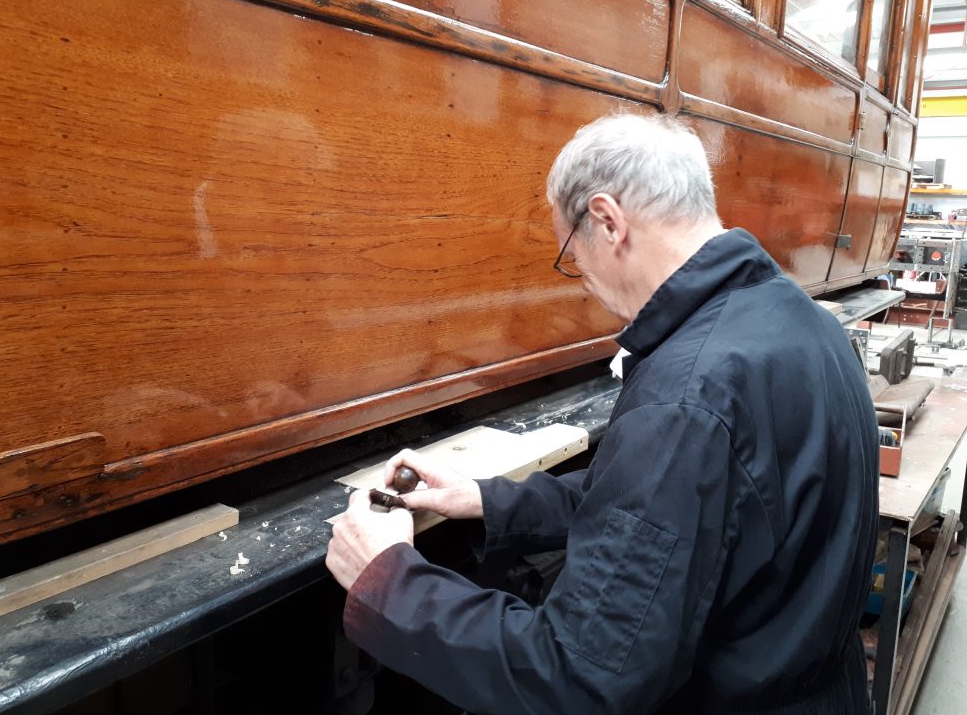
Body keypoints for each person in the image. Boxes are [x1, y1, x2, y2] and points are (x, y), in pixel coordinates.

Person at [326, 112, 879, 714]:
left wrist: (388, 581)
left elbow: (578, 677)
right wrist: (488, 499)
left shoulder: (688, 394)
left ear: (607, 221)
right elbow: (674, 505)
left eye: (572, 254)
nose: (582, 280)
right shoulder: (802, 323)